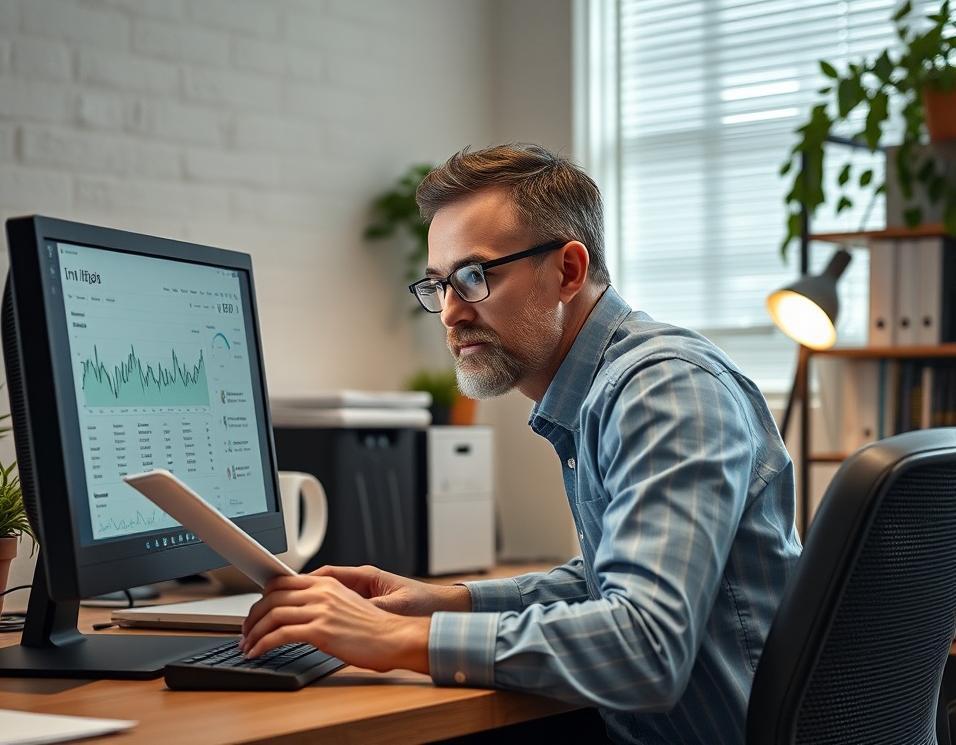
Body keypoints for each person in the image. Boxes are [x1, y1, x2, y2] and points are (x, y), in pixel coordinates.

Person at [240, 143, 802, 744]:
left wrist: (392, 638)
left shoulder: (661, 390)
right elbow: (606, 584)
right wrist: (441, 602)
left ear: (568, 270)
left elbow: (645, 646)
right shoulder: (607, 392)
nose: (451, 313)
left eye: (475, 277)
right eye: (438, 286)